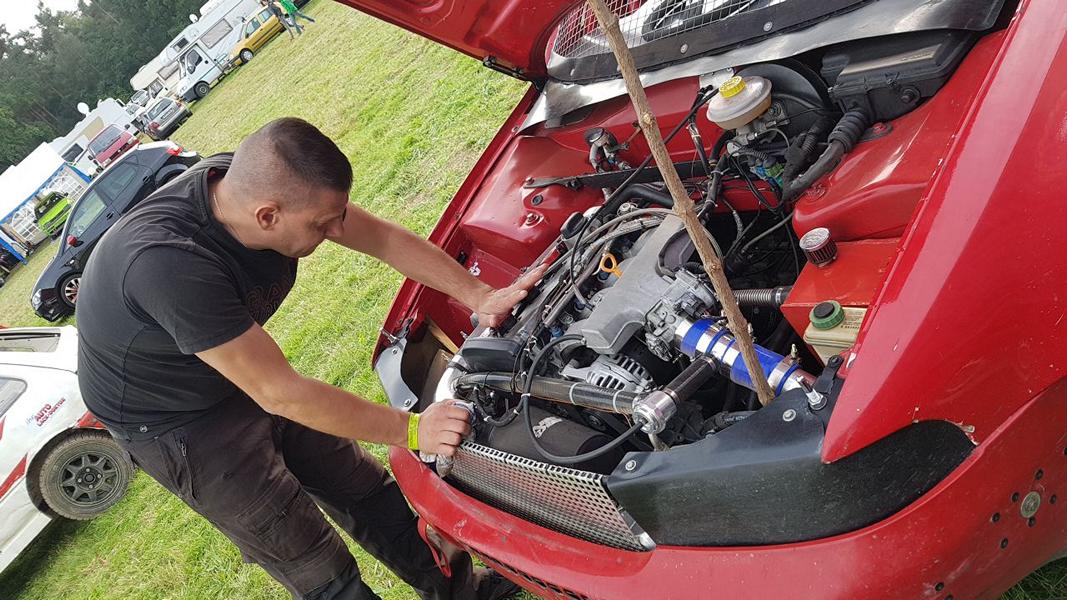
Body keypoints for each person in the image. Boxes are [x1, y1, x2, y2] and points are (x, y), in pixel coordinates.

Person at [76, 118, 542, 600]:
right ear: (267, 217)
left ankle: (463, 592)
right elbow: (280, 393)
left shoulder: (257, 184)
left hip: (237, 369)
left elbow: (382, 239)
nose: (338, 230)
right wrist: (413, 429)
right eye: (323, 225)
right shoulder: (168, 264)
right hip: (173, 419)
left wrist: (480, 295)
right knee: (315, 564)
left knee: (365, 489)